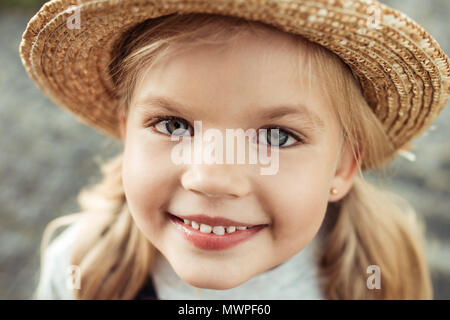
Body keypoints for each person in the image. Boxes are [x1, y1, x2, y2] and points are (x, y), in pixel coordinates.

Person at [20, 0, 450, 300]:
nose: (210, 178)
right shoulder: (83, 267)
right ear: (127, 133)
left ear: (342, 167)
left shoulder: (381, 272)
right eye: (173, 125)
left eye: (277, 136)